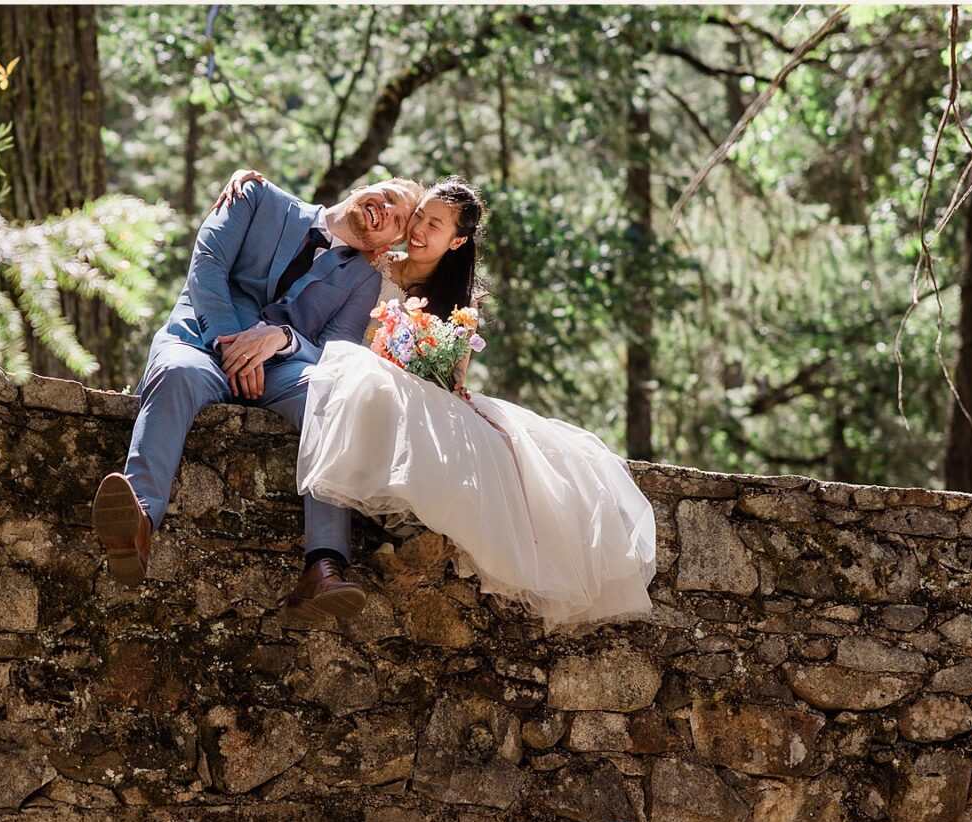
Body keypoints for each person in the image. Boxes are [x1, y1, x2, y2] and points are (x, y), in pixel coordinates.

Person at [215, 172, 657, 630]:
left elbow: (452, 380)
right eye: (420, 217)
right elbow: (328, 232)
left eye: (435, 226)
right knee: (368, 379)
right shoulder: (372, 262)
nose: (419, 230)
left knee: (499, 442)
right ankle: (391, 527)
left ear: (457, 241)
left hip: (415, 390)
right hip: (347, 374)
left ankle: (416, 526)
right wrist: (253, 182)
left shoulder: (460, 304)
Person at [92, 173, 422, 622]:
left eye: (398, 219)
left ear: (387, 245)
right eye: (387, 196)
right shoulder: (256, 196)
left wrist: (282, 339)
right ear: (363, 187)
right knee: (176, 373)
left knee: (333, 398)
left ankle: (323, 566)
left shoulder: (362, 280)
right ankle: (138, 522)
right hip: (201, 342)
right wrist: (231, 341)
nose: (386, 210)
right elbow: (208, 264)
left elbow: (338, 350)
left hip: (280, 370)